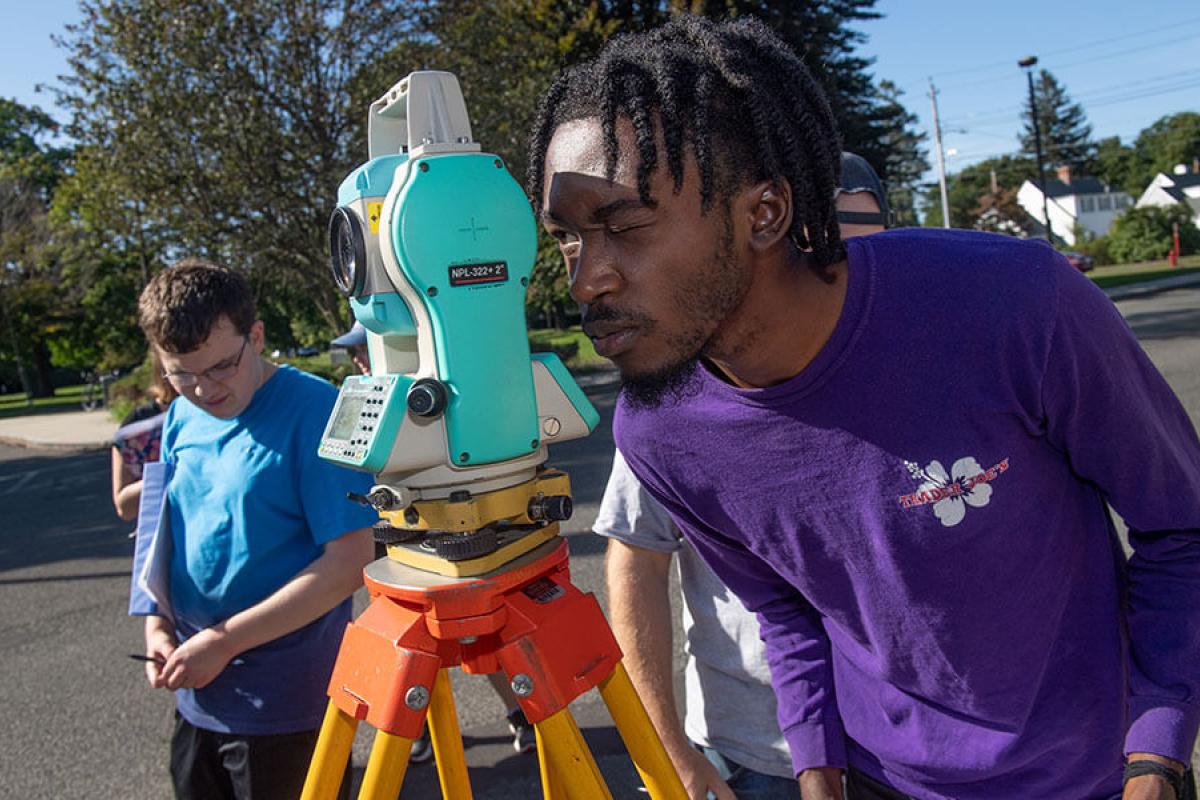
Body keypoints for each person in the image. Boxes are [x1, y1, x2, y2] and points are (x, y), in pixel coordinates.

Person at [530, 15, 1200, 800]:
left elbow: (1180, 527)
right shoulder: (659, 431)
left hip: (1105, 776)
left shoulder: (1015, 304)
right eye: (569, 239)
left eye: (624, 227)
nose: (587, 281)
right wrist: (818, 769)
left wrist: (1157, 751)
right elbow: (784, 610)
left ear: (765, 214)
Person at [593, 157, 890, 800]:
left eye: (860, 239)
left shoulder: (923, 371)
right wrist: (668, 754)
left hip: (921, 755)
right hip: (758, 754)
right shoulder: (674, 394)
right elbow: (635, 563)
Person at [136, 258, 376, 799]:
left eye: (222, 366)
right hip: (198, 690)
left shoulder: (316, 410)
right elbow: (160, 524)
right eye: (181, 372)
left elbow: (350, 562)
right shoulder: (180, 413)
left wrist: (223, 642)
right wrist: (155, 622)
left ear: (257, 335)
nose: (203, 390)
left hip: (286, 704)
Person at [329, 312, 538, 763]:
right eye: (356, 352)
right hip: (403, 538)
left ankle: (523, 711)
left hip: (459, 538)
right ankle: (412, 728)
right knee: (409, 643)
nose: (362, 361)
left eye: (365, 348)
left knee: (483, 635)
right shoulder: (369, 401)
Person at [111, 351, 178, 521]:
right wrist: (169, 475)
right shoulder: (137, 425)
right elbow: (124, 507)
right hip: (164, 534)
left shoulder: (221, 410)